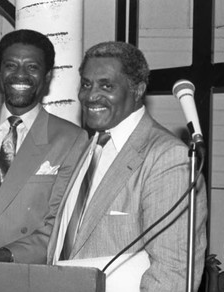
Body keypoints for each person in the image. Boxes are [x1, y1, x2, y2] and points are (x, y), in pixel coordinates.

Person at [46, 41, 207, 291]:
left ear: (138, 89)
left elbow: (172, 275)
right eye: (86, 84)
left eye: (106, 85)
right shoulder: (91, 145)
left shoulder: (169, 158)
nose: (90, 96)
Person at [0, 29, 88, 263]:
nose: (21, 75)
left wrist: (6, 254)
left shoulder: (71, 139)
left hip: (21, 274)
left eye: (32, 67)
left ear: (47, 75)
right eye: (11, 65)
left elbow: (62, 224)